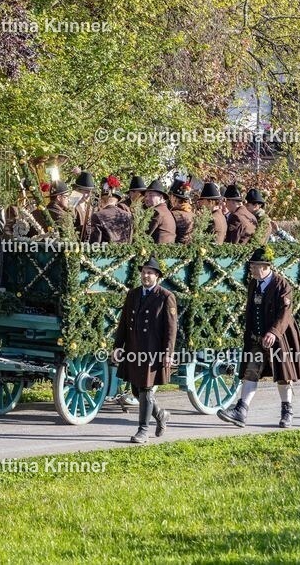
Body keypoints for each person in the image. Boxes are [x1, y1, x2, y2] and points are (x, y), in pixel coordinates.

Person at [217, 246, 300, 428]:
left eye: (255, 266)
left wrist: (273, 332)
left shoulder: (282, 285)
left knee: (283, 376)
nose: (251, 269)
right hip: (257, 338)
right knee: (250, 372)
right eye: (251, 265)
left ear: (265, 267)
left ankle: (287, 412)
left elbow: (285, 313)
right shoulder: (253, 284)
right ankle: (241, 411)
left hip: (280, 338)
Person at [113, 256, 177, 443]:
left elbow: (171, 329)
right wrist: (118, 346)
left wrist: (168, 353)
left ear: (157, 276)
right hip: (133, 349)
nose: (146, 276)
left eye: (150, 273)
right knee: (135, 390)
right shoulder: (133, 294)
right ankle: (161, 415)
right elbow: (123, 323)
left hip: (152, 351)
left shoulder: (165, 297)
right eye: (144, 272)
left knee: (146, 389)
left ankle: (143, 430)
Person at [88, 175, 133, 243]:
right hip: (125, 253)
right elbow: (130, 241)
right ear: (117, 200)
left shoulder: (97, 216)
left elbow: (95, 244)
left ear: (102, 199)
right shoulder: (128, 215)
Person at [143, 180, 176, 244]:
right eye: (146, 196)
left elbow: (145, 234)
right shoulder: (166, 211)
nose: (146, 198)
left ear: (161, 197)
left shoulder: (157, 212)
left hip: (155, 251)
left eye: (151, 195)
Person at [72, 171, 96, 241]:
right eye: (86, 191)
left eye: (90, 192)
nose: (89, 195)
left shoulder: (90, 206)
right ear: (77, 190)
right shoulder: (71, 206)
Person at [169, 177, 194, 244]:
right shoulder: (192, 214)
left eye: (170, 196)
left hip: (177, 250)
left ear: (174, 198)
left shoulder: (174, 214)